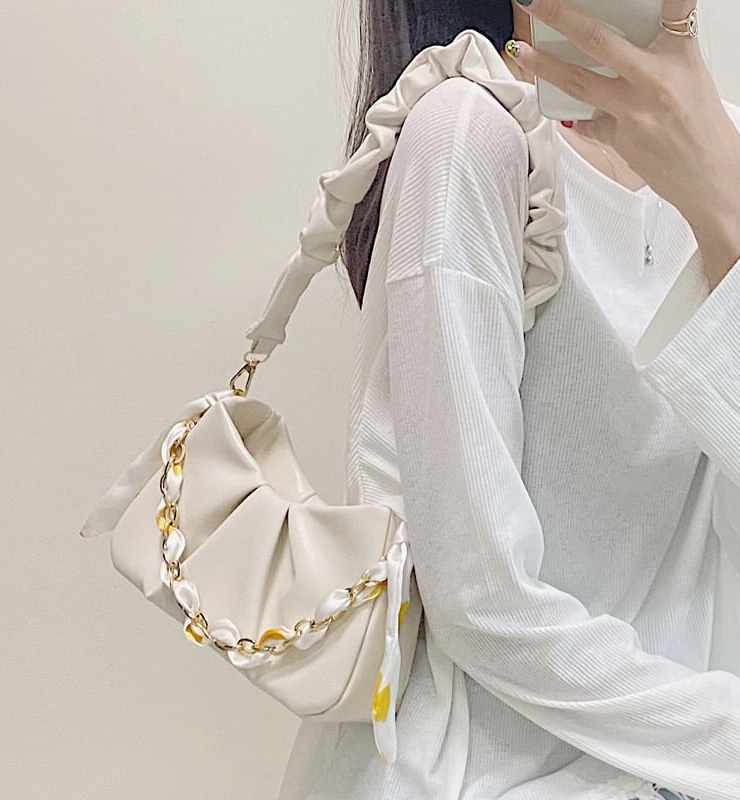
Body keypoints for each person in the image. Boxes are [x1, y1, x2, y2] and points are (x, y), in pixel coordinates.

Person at [277, 1, 740, 798]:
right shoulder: (470, 133)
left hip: (675, 764)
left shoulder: (722, 148)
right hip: (481, 773)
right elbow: (479, 602)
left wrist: (725, 218)